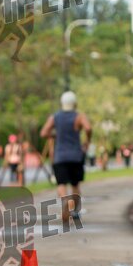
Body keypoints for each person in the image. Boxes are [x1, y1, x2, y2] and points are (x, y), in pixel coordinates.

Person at [40, 91, 92, 222]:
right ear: (75, 103)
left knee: (61, 183)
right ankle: (75, 210)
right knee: (75, 184)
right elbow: (88, 128)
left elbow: (43, 133)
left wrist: (54, 135)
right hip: (75, 156)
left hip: (59, 156)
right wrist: (87, 141)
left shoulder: (55, 117)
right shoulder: (78, 116)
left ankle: (65, 202)